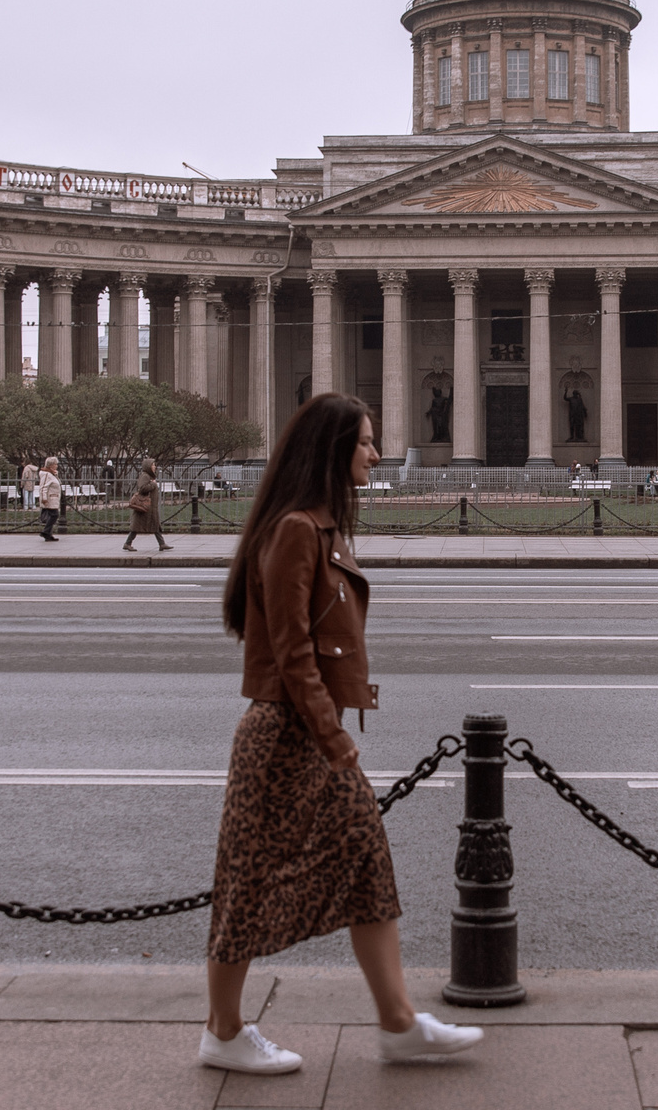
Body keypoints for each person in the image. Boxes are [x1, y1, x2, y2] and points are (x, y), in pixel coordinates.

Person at [201, 392, 482, 1074]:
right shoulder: (298, 529)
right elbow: (293, 650)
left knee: (366, 865)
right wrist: (336, 740)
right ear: (331, 450)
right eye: (363, 442)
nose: (375, 453)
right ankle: (224, 1030)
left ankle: (397, 1021)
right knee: (248, 883)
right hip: (284, 734)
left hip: (302, 731)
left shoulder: (316, 527)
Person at [123, 457, 171, 553]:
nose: (155, 467)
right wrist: (153, 484)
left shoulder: (150, 477)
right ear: (148, 466)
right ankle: (127, 544)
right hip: (144, 507)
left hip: (150, 507)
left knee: (155, 525)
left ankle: (162, 544)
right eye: (153, 465)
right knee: (136, 527)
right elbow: (142, 488)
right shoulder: (145, 476)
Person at [36, 456, 64, 543]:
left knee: (53, 515)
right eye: (55, 464)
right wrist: (44, 498)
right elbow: (43, 487)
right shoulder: (46, 474)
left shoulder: (52, 474)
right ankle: (46, 532)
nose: (57, 466)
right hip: (49, 498)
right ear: (51, 465)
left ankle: (48, 534)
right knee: (54, 515)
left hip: (54, 497)